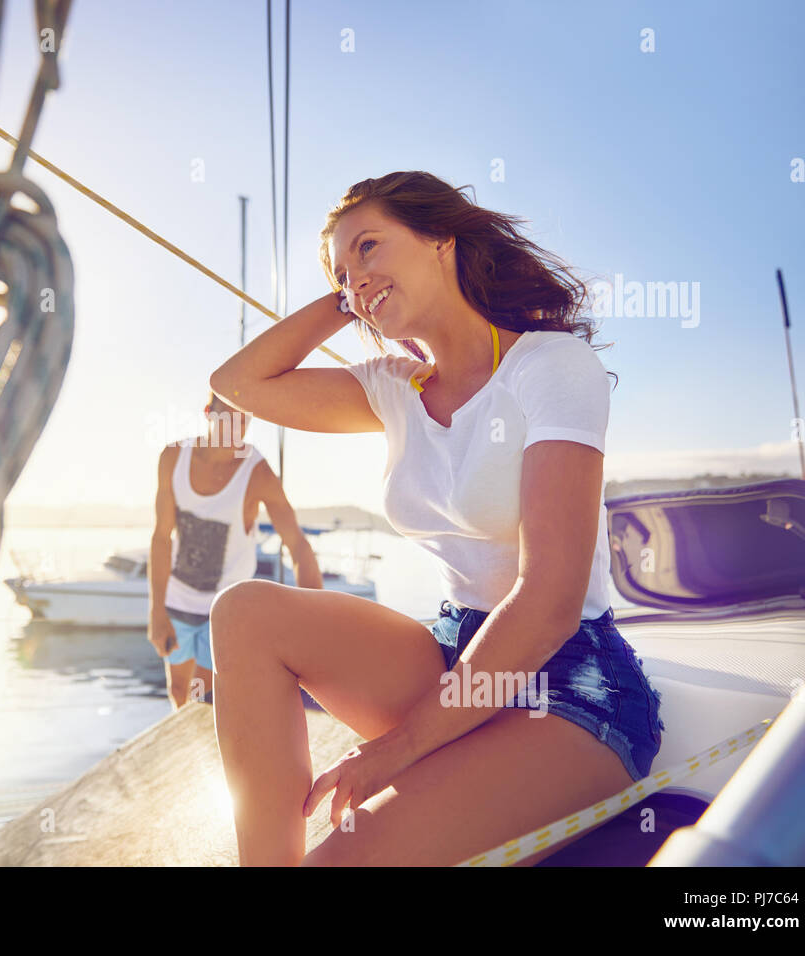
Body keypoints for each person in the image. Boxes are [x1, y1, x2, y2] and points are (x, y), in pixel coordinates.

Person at [207, 170, 665, 866]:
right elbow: (236, 384)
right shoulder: (390, 389)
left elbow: (549, 604)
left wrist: (395, 751)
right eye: (340, 268)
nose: (355, 277)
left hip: (570, 685)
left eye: (370, 247)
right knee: (244, 613)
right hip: (454, 653)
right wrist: (348, 301)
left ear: (441, 241)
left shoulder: (549, 367)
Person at [148, 391, 323, 711]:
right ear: (208, 413)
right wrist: (157, 610)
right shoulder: (173, 458)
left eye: (243, 419)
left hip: (226, 610)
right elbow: (161, 537)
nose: (234, 427)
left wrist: (315, 617)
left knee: (204, 701)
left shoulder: (257, 472)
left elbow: (297, 543)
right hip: (178, 602)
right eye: (226, 416)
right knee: (177, 691)